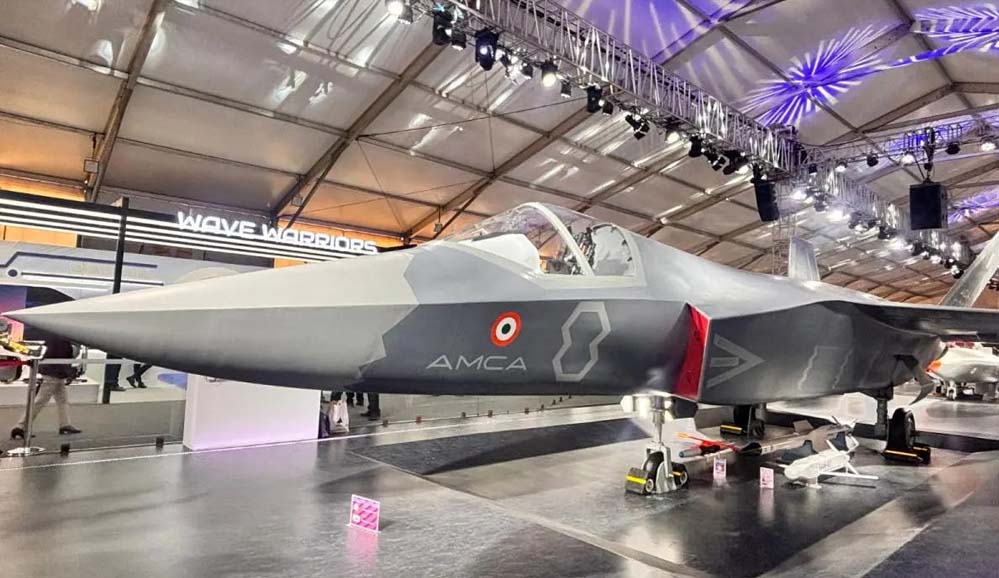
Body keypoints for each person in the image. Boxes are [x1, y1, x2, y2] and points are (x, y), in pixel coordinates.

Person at [10, 331, 82, 439]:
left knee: (62, 399)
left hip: (54, 371)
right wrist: (69, 372)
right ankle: (21, 426)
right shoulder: (62, 339)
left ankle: (65, 424)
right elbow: (63, 356)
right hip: (54, 372)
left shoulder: (55, 336)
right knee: (41, 400)